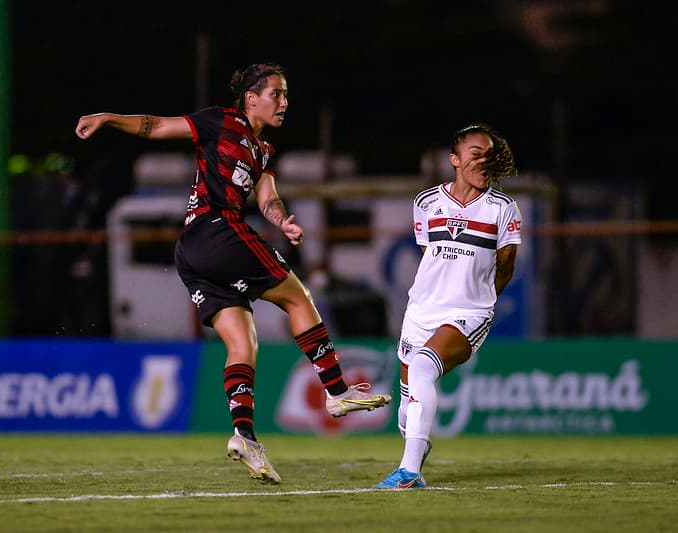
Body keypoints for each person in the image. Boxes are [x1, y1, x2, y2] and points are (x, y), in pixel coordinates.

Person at [75, 62, 391, 484]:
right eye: (275, 93)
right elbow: (157, 127)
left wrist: (283, 222)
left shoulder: (264, 150)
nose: (283, 102)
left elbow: (269, 198)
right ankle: (337, 392)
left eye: (285, 94)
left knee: (244, 343)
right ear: (250, 98)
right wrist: (109, 118)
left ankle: (244, 436)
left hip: (193, 251)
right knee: (298, 297)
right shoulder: (222, 121)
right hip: (215, 229)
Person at [375, 123, 522, 489]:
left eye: (489, 155)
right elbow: (431, 257)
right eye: (476, 154)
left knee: (425, 367)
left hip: (469, 312)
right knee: (408, 413)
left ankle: (408, 473)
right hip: (421, 310)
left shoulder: (503, 209)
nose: (483, 161)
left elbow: (505, 267)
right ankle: (416, 449)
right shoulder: (426, 203)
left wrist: (480, 301)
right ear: (455, 160)